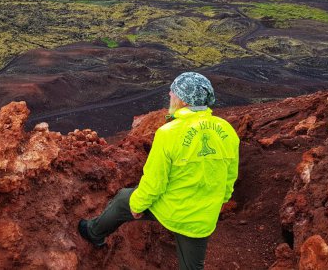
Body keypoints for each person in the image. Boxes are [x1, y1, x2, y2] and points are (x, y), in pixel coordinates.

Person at [78, 72, 240, 270]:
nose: (170, 93)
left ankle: (94, 232)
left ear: (183, 100)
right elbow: (230, 175)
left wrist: (137, 206)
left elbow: (155, 181)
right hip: (203, 218)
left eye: (174, 91)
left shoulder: (169, 133)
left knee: (123, 199)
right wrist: (217, 201)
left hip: (174, 209)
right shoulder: (226, 130)